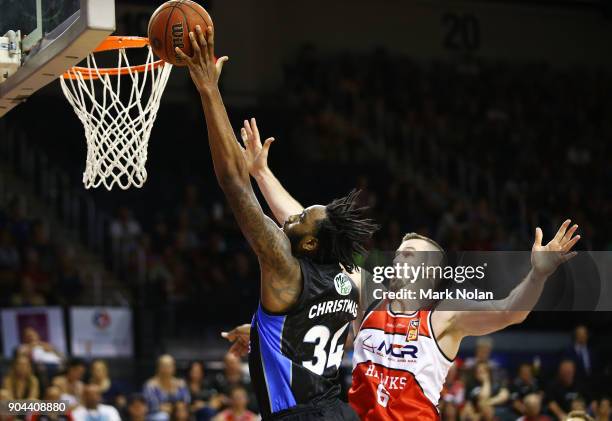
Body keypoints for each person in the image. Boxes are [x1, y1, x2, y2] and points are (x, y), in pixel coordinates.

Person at [221, 121, 580, 419]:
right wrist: (262, 173)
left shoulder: (444, 317)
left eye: (411, 256)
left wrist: (539, 274)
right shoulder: (367, 299)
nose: (398, 259)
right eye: (400, 253)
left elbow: (509, 311)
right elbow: (317, 232)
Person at [177, 25, 377, 421]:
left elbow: (234, 185)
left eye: (300, 217)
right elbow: (315, 231)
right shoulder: (352, 277)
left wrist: (208, 90)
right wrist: (264, 174)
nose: (292, 214)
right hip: (340, 412)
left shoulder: (284, 268)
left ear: (307, 245)